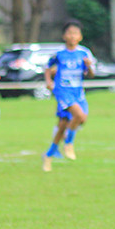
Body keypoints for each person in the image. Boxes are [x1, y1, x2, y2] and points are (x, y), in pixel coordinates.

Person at [41, 20, 94, 169]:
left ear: (80, 36)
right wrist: (48, 81)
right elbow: (47, 67)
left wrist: (89, 66)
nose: (72, 36)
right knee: (79, 116)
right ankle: (69, 143)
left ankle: (49, 154)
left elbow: (90, 74)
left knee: (64, 124)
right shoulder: (59, 54)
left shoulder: (84, 53)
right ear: (64, 36)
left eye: (75, 33)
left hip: (78, 93)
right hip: (63, 91)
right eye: (69, 33)